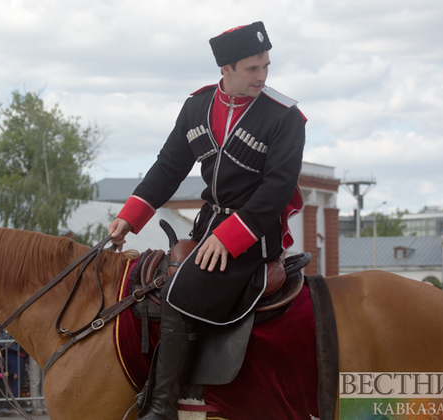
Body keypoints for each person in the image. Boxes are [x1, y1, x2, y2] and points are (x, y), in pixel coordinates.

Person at [108, 22, 306, 419]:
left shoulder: (285, 116)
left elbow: (278, 188)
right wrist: (130, 217)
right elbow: (168, 167)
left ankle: (162, 407)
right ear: (226, 70)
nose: (262, 76)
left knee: (182, 289)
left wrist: (230, 238)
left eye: (266, 65)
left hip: (255, 236)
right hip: (206, 227)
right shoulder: (196, 107)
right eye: (252, 68)